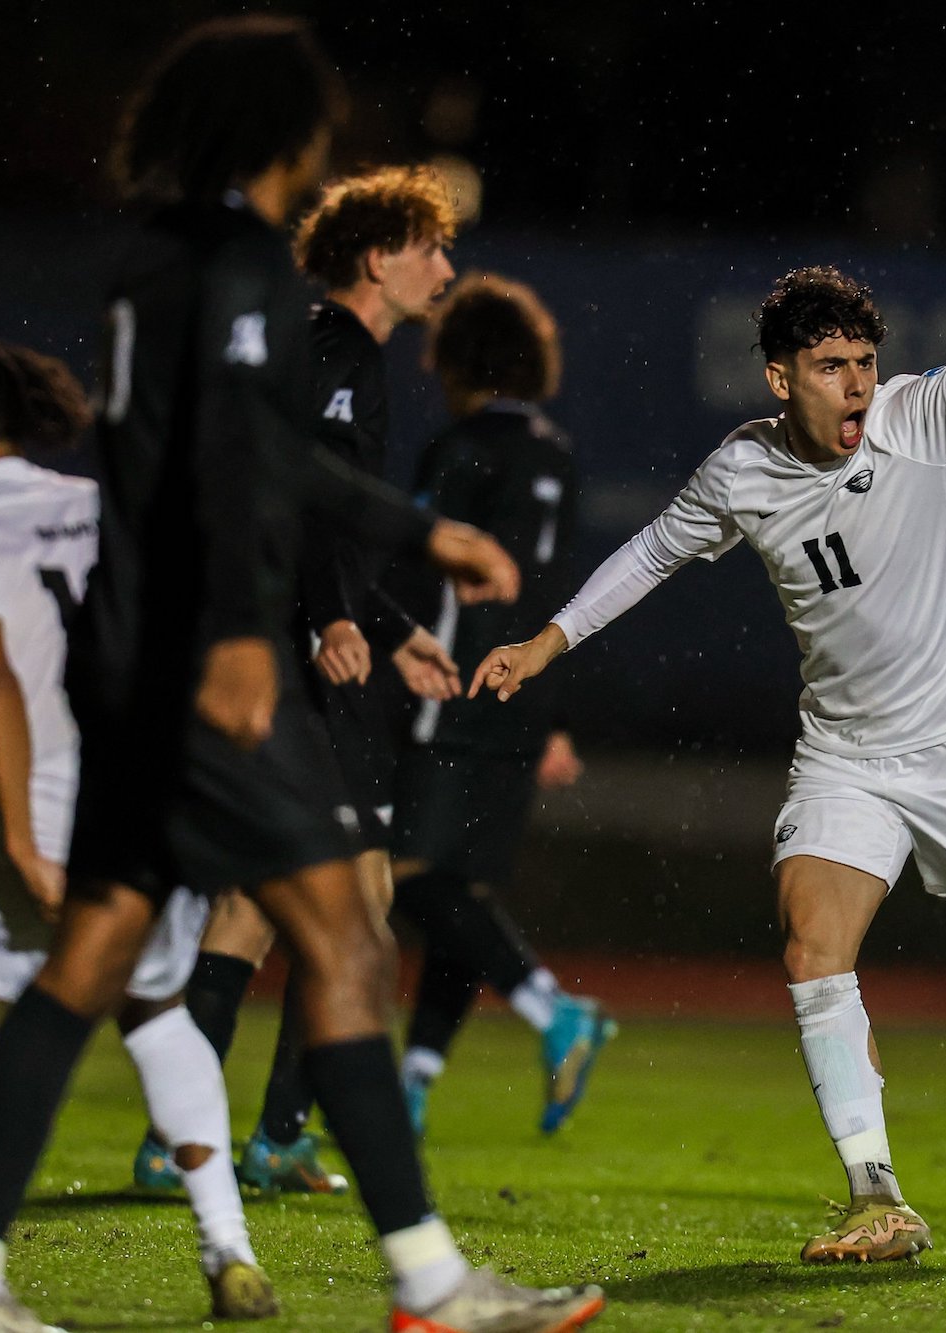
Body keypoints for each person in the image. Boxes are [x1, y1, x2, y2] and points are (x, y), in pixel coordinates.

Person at [0, 19, 603, 1333]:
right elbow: (242, 460)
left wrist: (405, 547)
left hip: (127, 663)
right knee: (345, 936)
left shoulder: (144, 263)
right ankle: (430, 1285)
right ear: (281, 137)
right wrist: (262, 625)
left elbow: (192, 453)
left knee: (93, 959)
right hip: (211, 666)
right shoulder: (240, 270)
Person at [468, 191, 946, 1263]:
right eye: (831, 367)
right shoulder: (742, 469)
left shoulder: (917, 418)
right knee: (810, 942)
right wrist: (546, 641)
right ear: (779, 377)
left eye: (864, 363)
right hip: (846, 755)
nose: (856, 386)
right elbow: (648, 553)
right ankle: (876, 1191)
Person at [0, 338, 274, 1320]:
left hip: (56, 798)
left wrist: (22, 837)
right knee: (155, 1008)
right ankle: (228, 1243)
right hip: (154, 793)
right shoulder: (96, 504)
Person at [136, 165, 468, 1198]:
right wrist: (331, 614)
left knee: (258, 902)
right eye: (429, 249)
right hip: (293, 656)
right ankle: (270, 1133)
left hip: (285, 642)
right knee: (352, 903)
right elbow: (305, 503)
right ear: (380, 258)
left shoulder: (326, 351)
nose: (446, 271)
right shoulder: (335, 350)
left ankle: (185, 1139)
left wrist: (396, 624)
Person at [385, 273, 613, 1139]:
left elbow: (427, 566)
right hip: (528, 692)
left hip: (456, 685)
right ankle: (415, 1078)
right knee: (465, 893)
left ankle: (553, 1008)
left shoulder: (461, 448)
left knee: (407, 876)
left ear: (460, 357)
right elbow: (553, 593)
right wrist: (552, 713)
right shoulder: (556, 453)